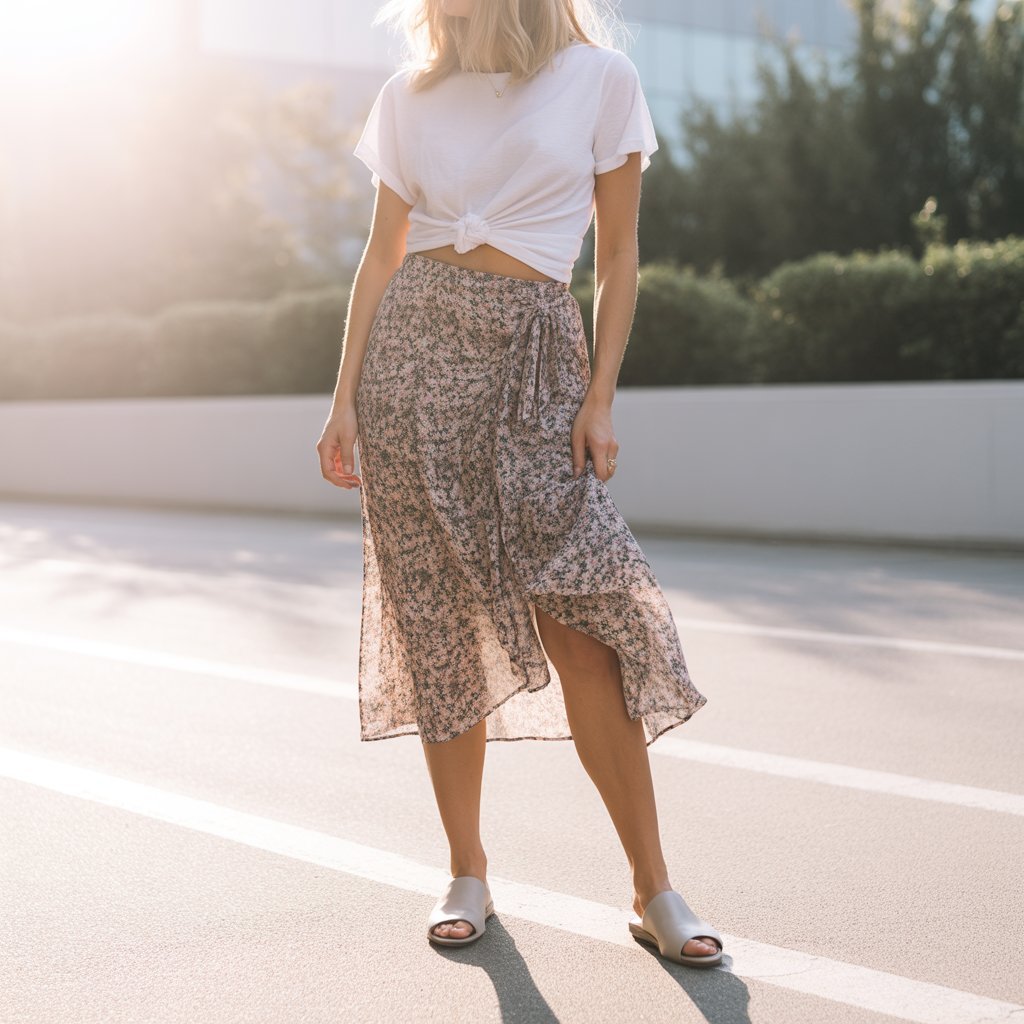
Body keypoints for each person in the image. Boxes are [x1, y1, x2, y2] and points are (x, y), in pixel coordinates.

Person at [316, 0, 724, 969]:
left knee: (586, 620)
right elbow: (380, 258)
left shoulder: (600, 80)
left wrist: (600, 398)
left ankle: (651, 885)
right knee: (438, 627)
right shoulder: (406, 96)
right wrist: (342, 401)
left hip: (537, 363)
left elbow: (619, 258)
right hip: (411, 368)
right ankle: (466, 868)